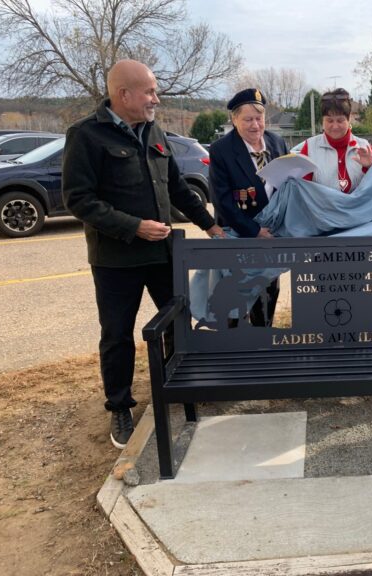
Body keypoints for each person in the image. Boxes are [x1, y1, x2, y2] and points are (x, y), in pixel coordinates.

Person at [62, 59, 223, 449]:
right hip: (115, 260)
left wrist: (210, 225)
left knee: (175, 323)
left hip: (163, 253)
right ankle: (119, 406)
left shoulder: (154, 132)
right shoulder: (86, 135)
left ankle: (175, 384)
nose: (156, 98)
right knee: (117, 335)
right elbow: (79, 199)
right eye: (149, 91)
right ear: (124, 95)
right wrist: (133, 226)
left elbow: (178, 188)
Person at [208, 88, 288, 326]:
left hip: (271, 237)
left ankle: (263, 348)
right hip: (239, 236)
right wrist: (253, 231)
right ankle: (235, 355)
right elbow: (221, 200)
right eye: (248, 119)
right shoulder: (221, 149)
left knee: (267, 300)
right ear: (234, 120)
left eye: (259, 118)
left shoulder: (277, 142)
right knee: (234, 304)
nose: (255, 125)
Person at [291, 88, 372, 193]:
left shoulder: (364, 147)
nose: (335, 126)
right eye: (329, 120)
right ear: (322, 120)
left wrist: (370, 167)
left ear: (349, 119)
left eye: (340, 120)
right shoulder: (310, 148)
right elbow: (303, 191)